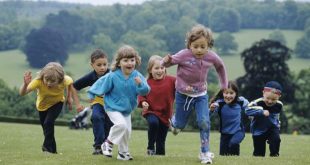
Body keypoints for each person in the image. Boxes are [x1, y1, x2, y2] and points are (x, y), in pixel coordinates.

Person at [161, 24, 228, 164]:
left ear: (208, 45)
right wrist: (165, 61)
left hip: (201, 95)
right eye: (195, 46)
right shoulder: (183, 54)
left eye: (203, 46)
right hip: (183, 94)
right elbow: (167, 63)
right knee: (179, 124)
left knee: (204, 121)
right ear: (189, 44)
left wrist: (224, 85)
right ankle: (174, 123)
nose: (199, 50)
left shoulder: (211, 57)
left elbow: (220, 67)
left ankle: (205, 152)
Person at [88, 45, 150, 161]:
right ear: (119, 63)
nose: (129, 63)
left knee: (126, 131)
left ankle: (123, 153)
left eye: (132, 60)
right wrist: (92, 93)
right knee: (121, 125)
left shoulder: (137, 76)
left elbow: (146, 90)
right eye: (125, 60)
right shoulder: (113, 76)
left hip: (127, 109)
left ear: (136, 61)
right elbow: (100, 83)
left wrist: (140, 84)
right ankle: (108, 143)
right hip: (112, 107)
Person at [19, 62, 75, 154]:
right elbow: (22, 93)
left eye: (52, 81)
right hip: (42, 106)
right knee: (47, 129)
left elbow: (70, 83)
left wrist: (69, 97)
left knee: (48, 123)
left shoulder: (64, 80)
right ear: (43, 76)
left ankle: (46, 148)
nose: (48, 83)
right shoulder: (38, 81)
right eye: (47, 80)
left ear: (59, 79)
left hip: (57, 103)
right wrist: (25, 84)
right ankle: (53, 151)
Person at [71, 49, 113, 155]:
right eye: (99, 65)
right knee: (96, 117)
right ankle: (98, 146)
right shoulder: (90, 77)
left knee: (108, 125)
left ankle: (106, 145)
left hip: (112, 105)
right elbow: (74, 87)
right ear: (92, 65)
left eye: (105, 64)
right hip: (97, 103)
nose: (102, 67)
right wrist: (77, 104)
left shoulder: (112, 75)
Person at [138, 55, 176, 156]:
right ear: (150, 70)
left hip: (166, 115)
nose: (160, 70)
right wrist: (143, 102)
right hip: (151, 111)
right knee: (154, 123)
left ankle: (160, 157)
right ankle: (150, 147)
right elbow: (141, 94)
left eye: (162, 68)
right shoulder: (146, 83)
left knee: (161, 141)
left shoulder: (172, 81)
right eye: (156, 68)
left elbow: (181, 88)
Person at [209, 81, 249, 156]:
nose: (228, 95)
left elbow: (250, 107)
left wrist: (252, 112)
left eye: (231, 93)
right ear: (222, 93)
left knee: (234, 143)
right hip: (225, 134)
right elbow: (208, 116)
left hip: (238, 131)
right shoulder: (219, 104)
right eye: (226, 93)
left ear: (236, 93)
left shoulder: (241, 102)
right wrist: (211, 109)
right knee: (223, 155)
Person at [246, 81, 283, 157]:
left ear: (279, 97)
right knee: (259, 153)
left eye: (273, 100)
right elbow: (247, 110)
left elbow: (276, 115)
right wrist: (261, 111)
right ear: (263, 93)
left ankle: (274, 156)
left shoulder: (279, 105)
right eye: (268, 98)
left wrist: (278, 123)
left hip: (272, 128)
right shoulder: (257, 102)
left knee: (276, 140)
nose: (270, 101)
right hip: (258, 129)